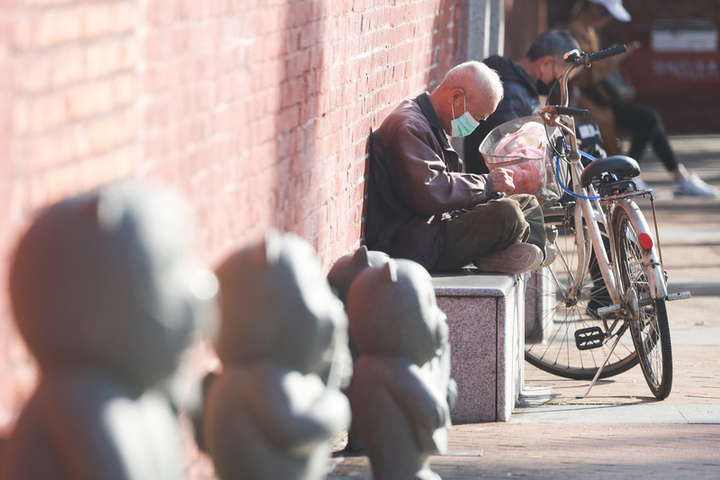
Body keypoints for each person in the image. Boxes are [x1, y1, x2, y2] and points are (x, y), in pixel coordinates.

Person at [364, 61, 548, 275]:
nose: (476, 125)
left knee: (527, 202)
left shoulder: (431, 125)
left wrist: (489, 191)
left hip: (436, 226)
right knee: (508, 213)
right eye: (477, 116)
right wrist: (488, 183)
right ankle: (503, 251)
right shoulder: (410, 127)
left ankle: (522, 253)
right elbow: (433, 191)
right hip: (416, 244)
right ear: (455, 97)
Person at [565, 0, 718, 197]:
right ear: (594, 9)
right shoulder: (576, 31)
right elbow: (583, 75)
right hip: (590, 106)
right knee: (649, 120)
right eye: (608, 15)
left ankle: (677, 177)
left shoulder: (588, 30)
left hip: (599, 102)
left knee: (650, 120)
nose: (609, 20)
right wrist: (614, 58)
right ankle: (634, 174)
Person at [463, 29, 581, 174]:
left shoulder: (522, 89)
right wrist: (555, 146)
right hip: (492, 188)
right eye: (561, 78)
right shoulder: (509, 92)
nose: (561, 86)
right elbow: (511, 152)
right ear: (546, 63)